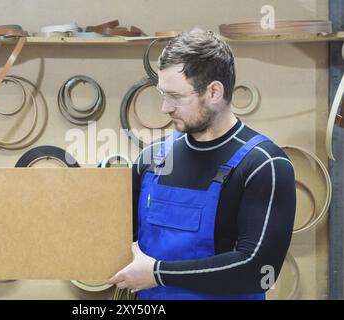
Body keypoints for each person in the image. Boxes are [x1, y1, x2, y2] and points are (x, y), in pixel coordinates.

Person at [107, 29, 296, 300]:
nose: (165, 107)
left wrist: (158, 274)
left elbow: (258, 271)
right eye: (162, 93)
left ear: (214, 92)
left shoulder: (264, 165)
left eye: (175, 96)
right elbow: (116, 242)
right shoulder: (151, 160)